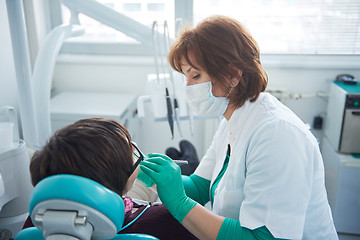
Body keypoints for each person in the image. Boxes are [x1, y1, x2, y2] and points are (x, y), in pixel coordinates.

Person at [137, 15, 338, 239]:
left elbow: (263, 237)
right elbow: (200, 187)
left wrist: (180, 203)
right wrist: (151, 176)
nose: (188, 87)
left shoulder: (277, 134)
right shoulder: (232, 120)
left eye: (195, 75)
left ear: (232, 74)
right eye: (186, 77)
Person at [23, 118, 198, 240]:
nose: (136, 154)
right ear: (119, 179)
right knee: (145, 188)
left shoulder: (37, 220)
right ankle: (188, 169)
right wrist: (181, 201)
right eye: (132, 154)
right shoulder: (164, 220)